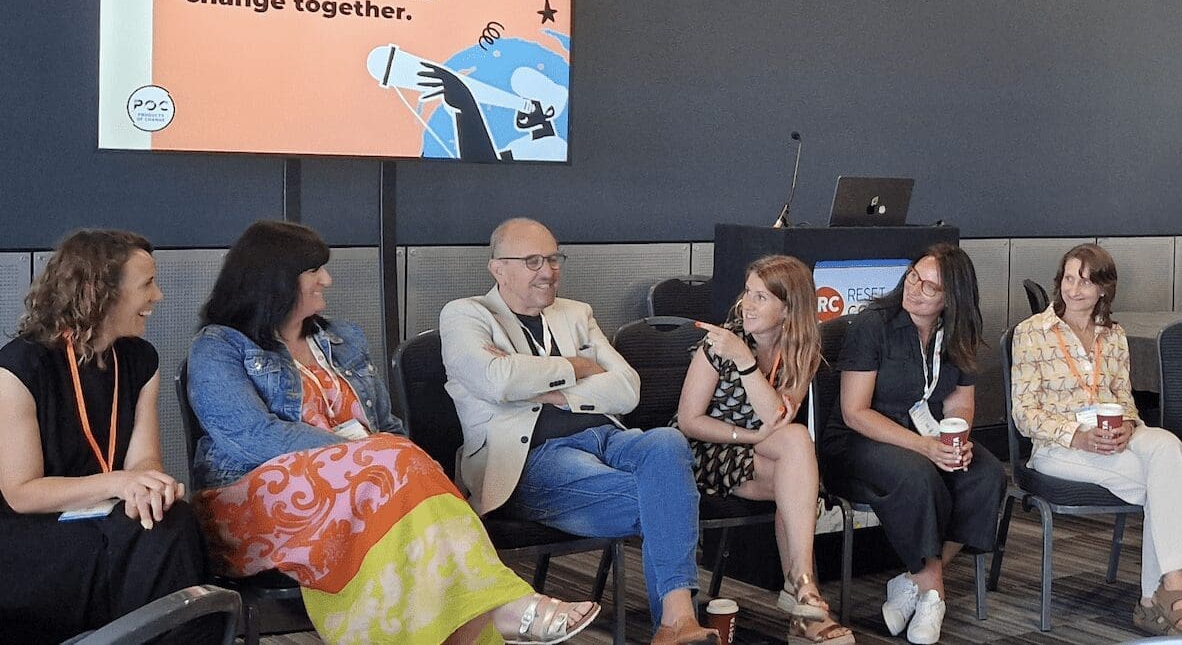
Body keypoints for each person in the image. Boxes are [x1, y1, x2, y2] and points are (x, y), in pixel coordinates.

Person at [187, 220, 599, 645]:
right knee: (395, 461)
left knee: (411, 466)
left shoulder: (342, 338)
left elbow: (386, 426)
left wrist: (382, 452)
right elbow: (252, 437)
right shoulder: (218, 347)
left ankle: (492, 614)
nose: (327, 279)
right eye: (315, 271)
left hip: (370, 490)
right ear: (275, 278)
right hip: (254, 504)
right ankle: (507, 607)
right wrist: (358, 451)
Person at [441, 217, 718, 645]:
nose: (548, 271)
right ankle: (677, 622)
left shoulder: (575, 313)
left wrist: (550, 390)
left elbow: (628, 390)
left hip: (606, 436)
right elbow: (496, 380)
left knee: (667, 441)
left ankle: (675, 625)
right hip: (531, 459)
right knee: (671, 496)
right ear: (498, 268)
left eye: (553, 258)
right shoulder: (465, 315)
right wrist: (579, 367)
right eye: (532, 261)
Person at [0, 229, 207, 645]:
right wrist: (120, 484)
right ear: (100, 293)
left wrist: (149, 486)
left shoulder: (140, 360)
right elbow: (21, 493)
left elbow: (144, 460)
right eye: (146, 284)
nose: (157, 296)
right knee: (150, 541)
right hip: (18, 535)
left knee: (171, 519)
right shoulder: (16, 370)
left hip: (99, 516)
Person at [1010, 243, 1182, 636]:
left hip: (1113, 438)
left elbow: (1125, 402)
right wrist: (1078, 436)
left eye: (1086, 280)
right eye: (1069, 278)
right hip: (1058, 447)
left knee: (1169, 449)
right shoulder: (1032, 333)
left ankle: (1159, 597)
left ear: (1104, 288)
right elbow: (1024, 414)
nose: (1075, 288)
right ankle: (1169, 593)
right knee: (1174, 477)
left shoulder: (1113, 336)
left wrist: (1129, 427)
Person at [820, 244, 1004, 645]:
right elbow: (855, 412)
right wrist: (926, 448)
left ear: (952, 299)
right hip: (857, 441)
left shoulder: (959, 331)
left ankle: (912, 581)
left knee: (986, 473)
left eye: (930, 287)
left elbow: (961, 403)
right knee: (918, 473)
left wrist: (958, 440)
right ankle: (934, 594)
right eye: (914, 277)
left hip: (927, 437)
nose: (916, 289)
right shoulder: (874, 325)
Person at [676, 255, 854, 645]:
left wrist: (748, 368)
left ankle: (803, 595)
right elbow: (689, 421)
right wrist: (741, 362)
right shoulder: (721, 343)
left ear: (788, 310)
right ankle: (805, 597)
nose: (746, 305)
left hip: (766, 452)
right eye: (747, 294)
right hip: (705, 449)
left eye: (761, 298)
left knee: (795, 452)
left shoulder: (801, 347)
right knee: (798, 475)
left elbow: (776, 415)